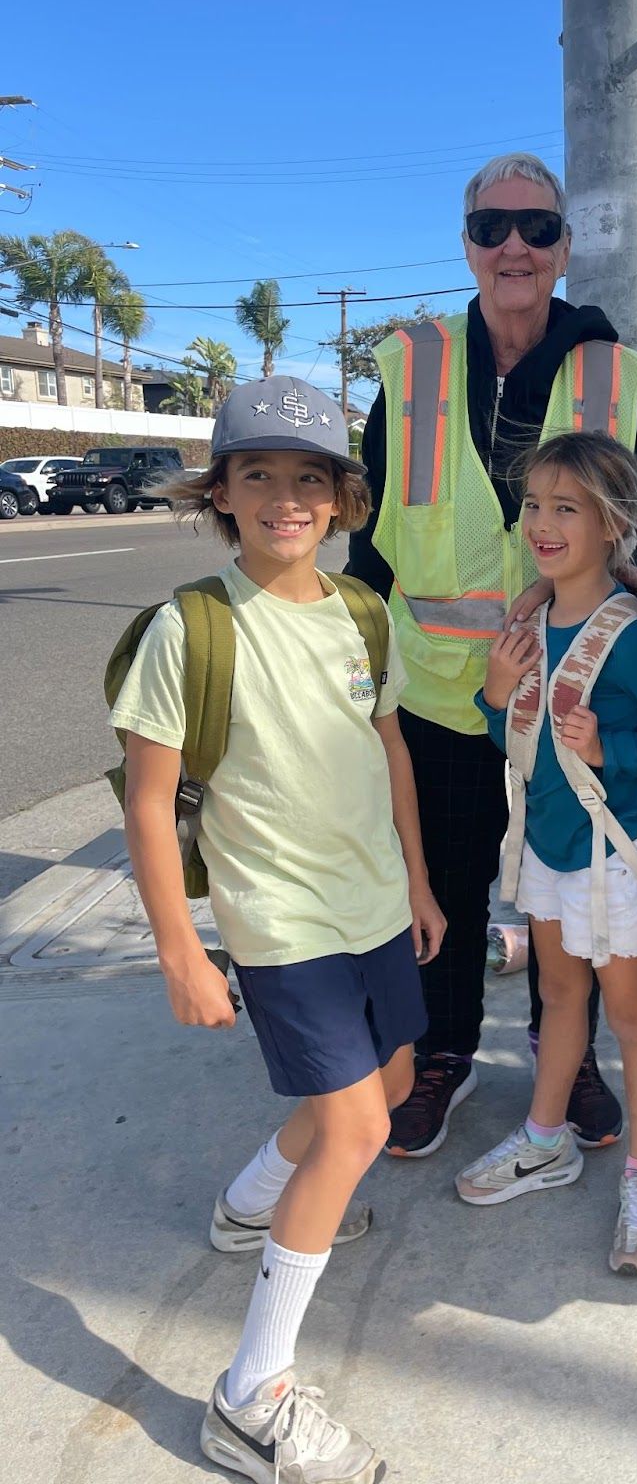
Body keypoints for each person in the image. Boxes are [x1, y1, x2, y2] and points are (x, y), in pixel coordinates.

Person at [111, 377, 445, 1484]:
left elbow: (389, 750)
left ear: (344, 497)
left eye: (310, 477)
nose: (286, 497)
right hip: (279, 921)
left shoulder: (362, 614)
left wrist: (423, 885)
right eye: (258, 474)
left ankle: (251, 1200)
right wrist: (178, 947)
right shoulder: (189, 627)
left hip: (377, 905)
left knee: (390, 1089)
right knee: (355, 1130)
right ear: (221, 491)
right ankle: (250, 1395)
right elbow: (151, 799)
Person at [347, 151, 637, 1159]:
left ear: (563, 247)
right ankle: (442, 1052)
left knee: (568, 879)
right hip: (442, 691)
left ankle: (566, 1056)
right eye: (493, 229)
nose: (514, 245)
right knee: (445, 874)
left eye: (536, 227)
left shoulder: (609, 372)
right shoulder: (413, 366)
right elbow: (370, 533)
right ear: (469, 245)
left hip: (569, 688)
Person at [454, 431, 637, 1272]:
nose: (543, 524)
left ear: (612, 520)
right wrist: (491, 697)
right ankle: (546, 1139)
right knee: (557, 994)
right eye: (535, 506)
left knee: (629, 1015)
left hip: (613, 855)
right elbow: (513, 741)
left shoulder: (630, 630)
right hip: (548, 851)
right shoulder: (530, 621)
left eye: (567, 508)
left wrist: (612, 747)